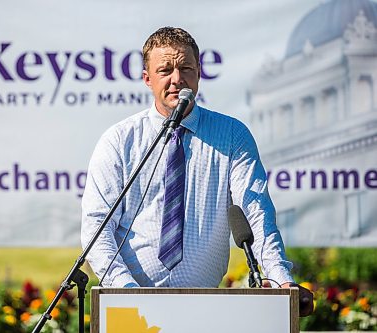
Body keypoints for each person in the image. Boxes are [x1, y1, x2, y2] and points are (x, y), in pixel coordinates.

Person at [81, 26, 313, 316]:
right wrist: (126, 291)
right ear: (147, 79)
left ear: (199, 73)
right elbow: (97, 227)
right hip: (130, 304)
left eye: (186, 68)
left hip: (204, 306)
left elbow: (255, 212)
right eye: (165, 70)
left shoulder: (231, 135)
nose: (177, 79)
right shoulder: (119, 140)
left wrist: (281, 279)